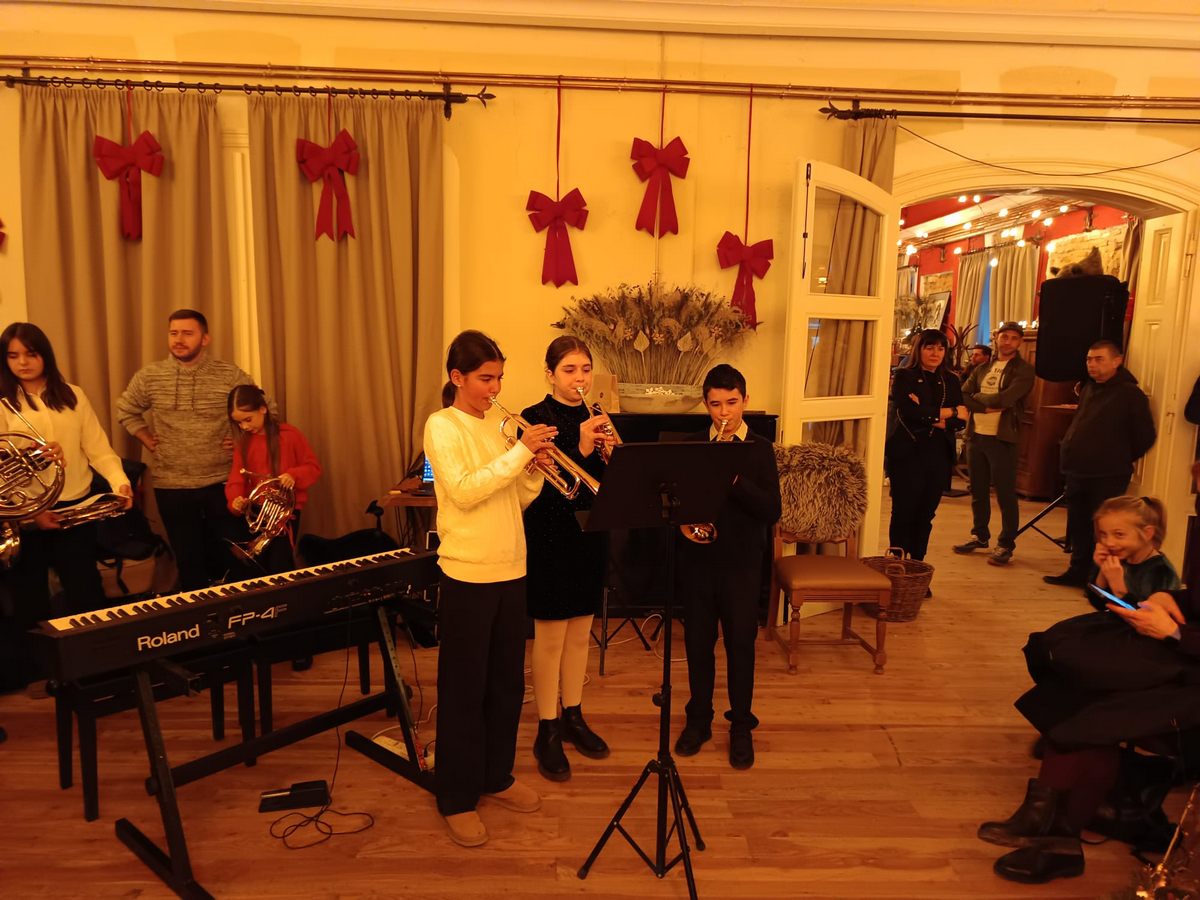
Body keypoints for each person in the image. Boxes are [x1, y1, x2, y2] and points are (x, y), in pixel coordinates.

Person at [979, 510, 1194, 884]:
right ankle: (1048, 817)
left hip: (1189, 672)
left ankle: (1055, 834)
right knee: (1074, 677)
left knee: (1096, 710)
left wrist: (1176, 635)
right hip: (1181, 654)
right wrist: (1169, 598)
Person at [423, 330, 556, 848]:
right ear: (457, 378)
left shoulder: (499, 428)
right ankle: (456, 797)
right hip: (468, 572)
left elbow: (512, 497)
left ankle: (495, 775)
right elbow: (462, 491)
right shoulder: (442, 425)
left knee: (506, 685)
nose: (495, 388)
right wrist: (519, 452)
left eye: (499, 377)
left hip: (511, 568)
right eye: (485, 378)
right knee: (464, 689)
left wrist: (533, 470)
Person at [0, 322, 132, 688]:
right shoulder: (2, 403)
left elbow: (99, 449)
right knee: (30, 599)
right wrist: (32, 512)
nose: (22, 362)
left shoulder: (73, 395)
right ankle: (41, 675)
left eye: (31, 354)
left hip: (76, 509)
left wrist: (120, 482)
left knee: (85, 591)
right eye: (13, 356)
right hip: (26, 516)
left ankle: (94, 669)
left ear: (45, 354)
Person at [674, 364, 781, 770]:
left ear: (745, 401)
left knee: (740, 645)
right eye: (716, 404)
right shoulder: (690, 447)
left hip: (742, 563)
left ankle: (740, 725)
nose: (724, 413)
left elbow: (771, 510)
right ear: (706, 404)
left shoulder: (759, 448)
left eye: (732, 403)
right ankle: (698, 719)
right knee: (698, 643)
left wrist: (732, 477)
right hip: (699, 561)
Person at [520, 337, 613, 782]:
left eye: (585, 369)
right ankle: (547, 727)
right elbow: (539, 489)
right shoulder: (534, 418)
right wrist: (582, 447)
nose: (580, 378)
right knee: (550, 638)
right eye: (570, 369)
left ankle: (573, 714)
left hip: (589, 535)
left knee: (580, 635)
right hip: (549, 536)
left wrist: (610, 454)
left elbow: (609, 482)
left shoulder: (598, 416)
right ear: (550, 374)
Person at [117, 309, 258, 591]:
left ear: (205, 339)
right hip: (172, 485)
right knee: (189, 561)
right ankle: (201, 616)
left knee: (233, 558)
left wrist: (242, 440)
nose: (179, 339)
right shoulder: (150, 376)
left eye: (187, 333)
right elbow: (126, 410)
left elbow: (264, 411)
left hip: (223, 482)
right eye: (174, 333)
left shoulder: (229, 374)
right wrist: (145, 436)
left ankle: (238, 613)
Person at [1044, 341, 1156, 588]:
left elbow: (1145, 436)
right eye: (1089, 359)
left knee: (1105, 529)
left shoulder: (1130, 394)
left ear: (1117, 361)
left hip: (1108, 473)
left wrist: (1116, 456)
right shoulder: (1089, 388)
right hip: (1077, 470)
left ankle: (1099, 580)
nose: (1092, 364)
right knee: (1079, 525)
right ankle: (1077, 572)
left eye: (1099, 359)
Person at [953, 322, 1036, 566]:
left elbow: (1007, 398)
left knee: (1005, 493)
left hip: (1003, 438)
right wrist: (985, 406)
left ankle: (1006, 543)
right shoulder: (982, 368)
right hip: (976, 435)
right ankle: (979, 535)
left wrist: (979, 398)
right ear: (996, 338)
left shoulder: (1024, 370)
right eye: (1004, 336)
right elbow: (963, 395)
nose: (1007, 341)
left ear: (1019, 342)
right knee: (978, 490)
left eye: (1013, 338)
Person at [885, 329, 967, 563]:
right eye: (929, 347)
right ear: (918, 349)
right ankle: (897, 563)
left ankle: (917, 563)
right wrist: (950, 412)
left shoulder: (951, 380)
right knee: (903, 512)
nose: (935, 353)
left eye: (940, 348)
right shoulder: (904, 376)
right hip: (908, 453)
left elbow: (962, 420)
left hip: (938, 455)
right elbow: (909, 412)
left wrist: (929, 414)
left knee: (926, 514)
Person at [224, 384, 322, 576]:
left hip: (285, 514)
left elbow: (313, 468)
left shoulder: (290, 435)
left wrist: (293, 475)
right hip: (257, 513)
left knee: (280, 564)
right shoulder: (244, 443)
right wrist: (235, 500)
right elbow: (236, 478)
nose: (244, 426)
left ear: (263, 409)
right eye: (239, 423)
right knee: (257, 569)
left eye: (248, 419)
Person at [1089, 495, 1178, 606]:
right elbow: (1097, 603)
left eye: (1119, 534)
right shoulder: (1118, 558)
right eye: (1104, 534)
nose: (1109, 543)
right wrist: (1103, 571)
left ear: (1147, 533)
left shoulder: (1162, 572)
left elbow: (1148, 614)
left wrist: (1119, 588)